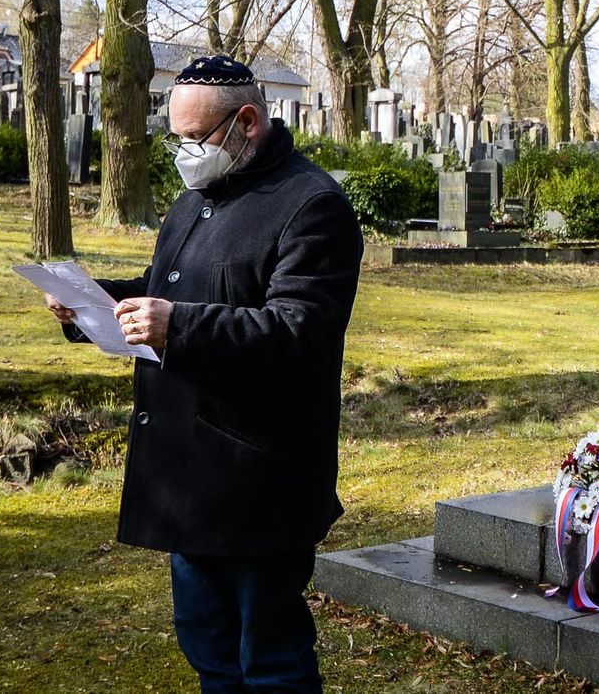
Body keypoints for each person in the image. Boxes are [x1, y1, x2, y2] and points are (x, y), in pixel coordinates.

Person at [44, 55, 363, 693]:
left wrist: (178, 327)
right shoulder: (194, 201)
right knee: (209, 653)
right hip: (187, 477)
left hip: (259, 479)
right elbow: (170, 288)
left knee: (269, 662)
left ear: (246, 122)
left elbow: (298, 330)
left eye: (195, 137)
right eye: (176, 139)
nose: (185, 153)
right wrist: (94, 302)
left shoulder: (312, 205)